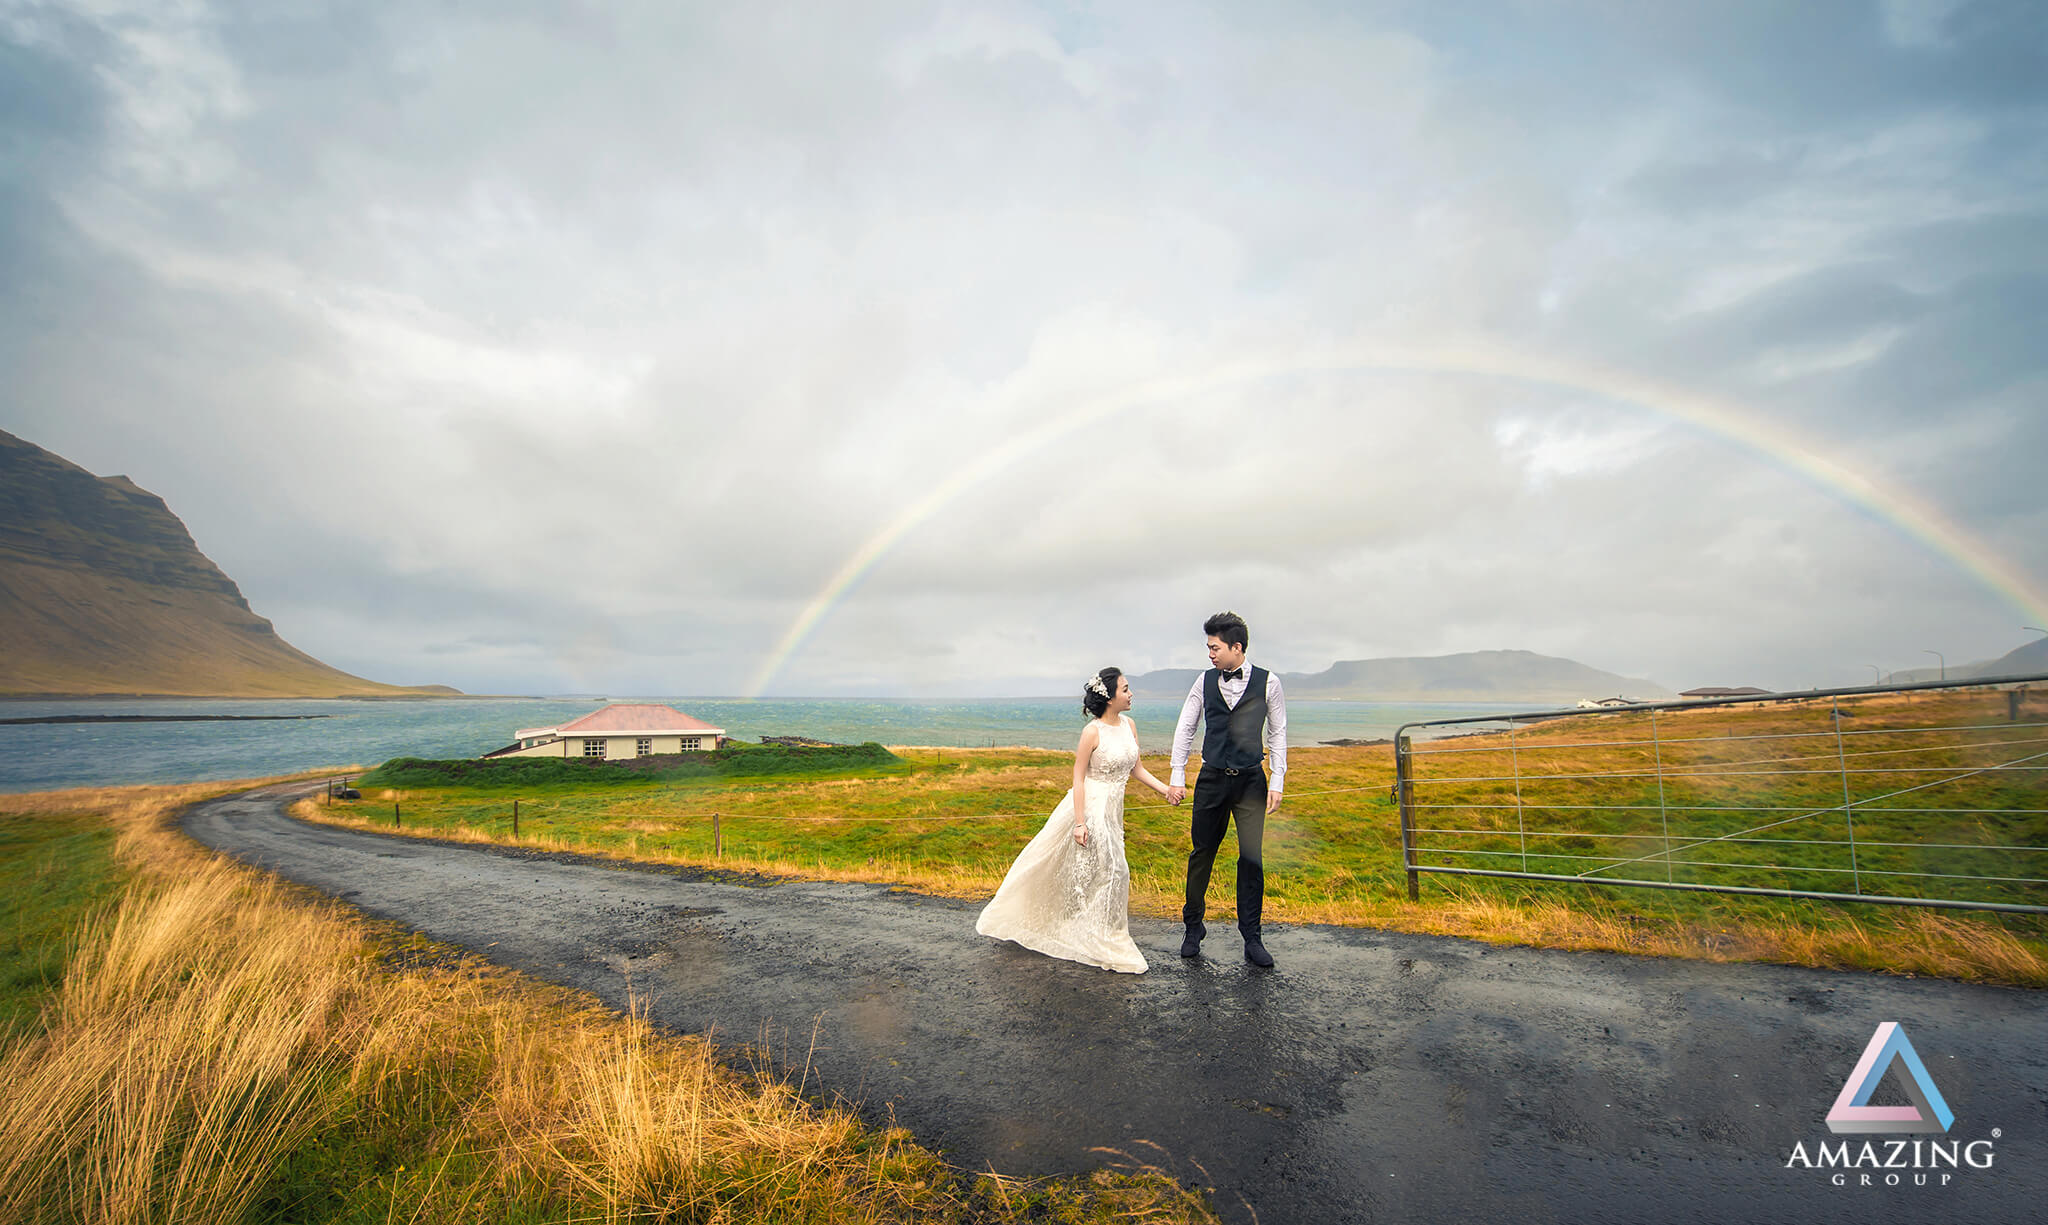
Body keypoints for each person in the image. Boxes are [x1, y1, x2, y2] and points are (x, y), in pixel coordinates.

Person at [975, 667, 1171, 973]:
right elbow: (1078, 778)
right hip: (1092, 807)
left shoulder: (1130, 725)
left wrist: (1166, 791)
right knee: (1115, 870)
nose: (1131, 694)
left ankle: (1101, 927)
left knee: (1105, 871)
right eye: (1125, 689)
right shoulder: (1092, 732)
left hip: (1114, 810)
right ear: (1110, 698)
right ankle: (1108, 936)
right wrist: (1080, 822)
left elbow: (1137, 769)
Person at [1165, 611, 1287, 967]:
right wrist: (1177, 774)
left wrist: (1277, 779)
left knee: (1251, 858)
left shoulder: (1269, 682)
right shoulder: (1202, 681)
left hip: (1250, 781)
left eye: (1215, 647)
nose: (1210, 654)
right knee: (1201, 853)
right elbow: (1186, 727)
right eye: (1208, 647)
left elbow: (1277, 732)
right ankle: (1193, 928)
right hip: (1212, 779)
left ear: (1237, 647)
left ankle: (1252, 937)